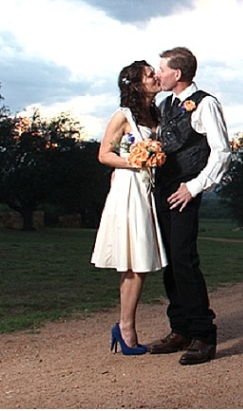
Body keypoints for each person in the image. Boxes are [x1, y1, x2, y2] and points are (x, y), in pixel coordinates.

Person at [147, 47, 230, 365]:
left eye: (162, 69)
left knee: (184, 261)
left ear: (177, 74)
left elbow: (221, 152)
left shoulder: (205, 103)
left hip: (185, 193)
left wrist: (194, 187)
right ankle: (180, 330)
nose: (158, 74)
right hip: (163, 192)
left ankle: (203, 336)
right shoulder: (166, 104)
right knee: (170, 261)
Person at [91, 60, 167, 355]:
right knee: (135, 262)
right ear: (137, 85)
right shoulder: (122, 116)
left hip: (147, 191)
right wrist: (135, 161)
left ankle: (125, 326)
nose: (155, 77)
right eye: (150, 75)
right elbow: (103, 154)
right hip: (129, 191)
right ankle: (126, 329)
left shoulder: (155, 114)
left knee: (139, 263)